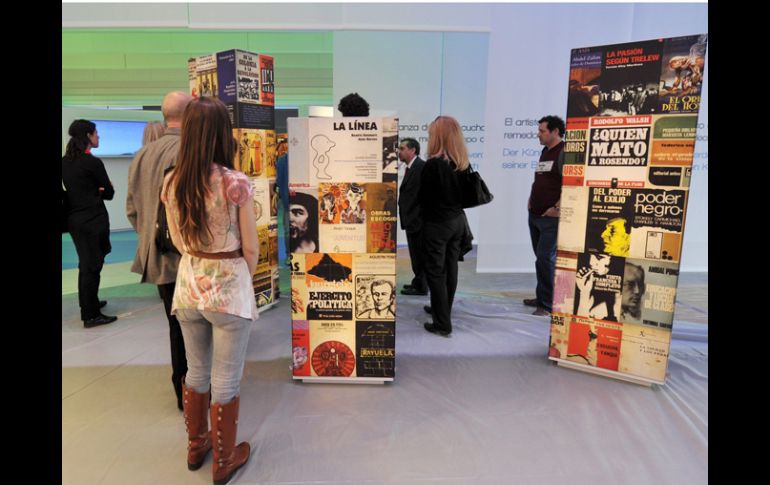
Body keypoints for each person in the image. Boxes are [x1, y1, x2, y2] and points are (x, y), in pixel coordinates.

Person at [162, 96, 259, 484]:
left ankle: (195, 444)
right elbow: (250, 247)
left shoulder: (172, 180)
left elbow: (177, 241)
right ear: (223, 133)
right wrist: (240, 278)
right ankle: (223, 459)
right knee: (226, 378)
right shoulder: (235, 182)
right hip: (227, 285)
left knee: (196, 370)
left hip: (187, 286)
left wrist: (199, 263)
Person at [126, 91, 193, 411]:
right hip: (187, 258)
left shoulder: (141, 155)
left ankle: (182, 388)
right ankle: (192, 390)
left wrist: (149, 241)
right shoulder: (188, 152)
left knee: (175, 325)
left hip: (157, 257)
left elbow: (132, 209)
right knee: (193, 328)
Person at [62, 119, 118, 328]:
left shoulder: (64, 162)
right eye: (96, 133)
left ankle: (89, 303)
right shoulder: (93, 163)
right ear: (88, 136)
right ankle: (91, 315)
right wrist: (102, 190)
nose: (98, 136)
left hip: (75, 220)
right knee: (92, 266)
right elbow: (109, 193)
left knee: (86, 264)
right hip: (93, 220)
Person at [418, 116, 470, 337]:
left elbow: (424, 199)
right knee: (451, 269)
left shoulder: (433, 165)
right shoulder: (462, 163)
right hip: (457, 222)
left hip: (438, 225)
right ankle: (443, 311)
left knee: (436, 273)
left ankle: (441, 323)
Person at [523, 115, 565, 316]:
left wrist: (557, 207)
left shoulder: (563, 152)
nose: (538, 134)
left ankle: (547, 305)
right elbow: (540, 178)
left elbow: (570, 184)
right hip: (535, 214)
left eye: (542, 131)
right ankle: (542, 297)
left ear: (556, 131)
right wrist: (531, 198)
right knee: (541, 259)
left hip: (550, 218)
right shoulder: (544, 151)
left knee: (545, 258)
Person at [397, 137, 428, 296]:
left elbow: (424, 197)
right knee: (415, 255)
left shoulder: (420, 167)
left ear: (412, 150)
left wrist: (417, 219)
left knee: (420, 256)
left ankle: (422, 287)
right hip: (412, 220)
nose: (399, 151)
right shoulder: (411, 167)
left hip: (418, 222)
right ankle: (418, 282)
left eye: (402, 148)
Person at [575, 254, 620, 322]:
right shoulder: (587, 280)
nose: (591, 263)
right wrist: (584, 292)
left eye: (599, 257)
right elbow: (579, 324)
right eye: (590, 255)